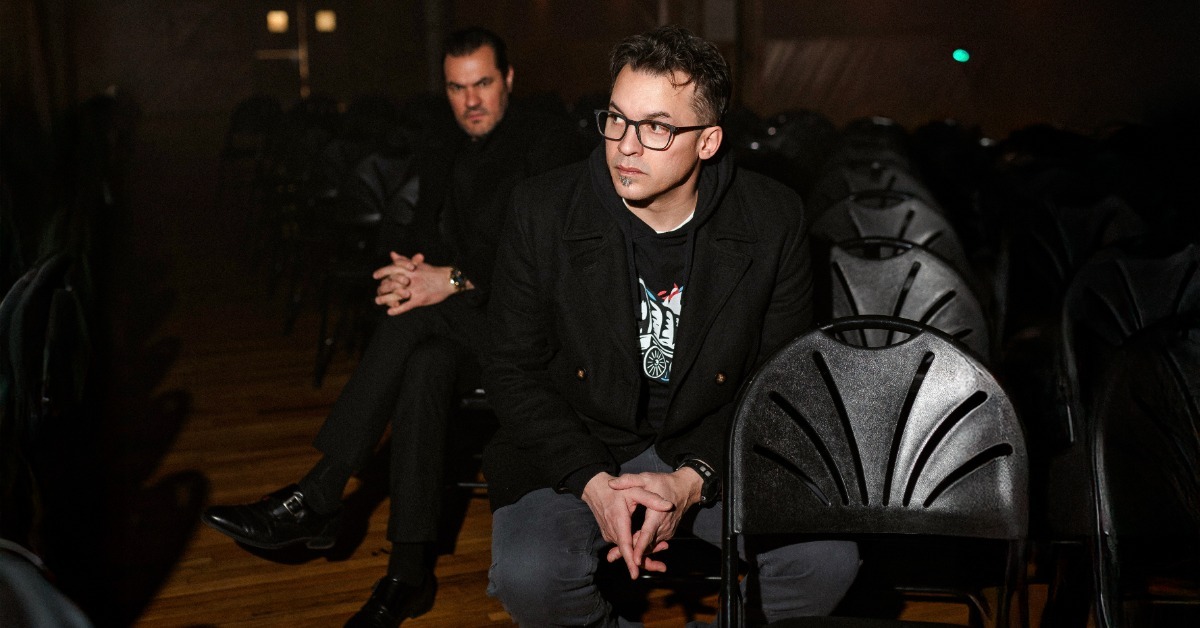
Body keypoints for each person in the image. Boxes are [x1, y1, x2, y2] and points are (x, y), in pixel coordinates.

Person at [201, 27, 586, 628]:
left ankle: (320, 494)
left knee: (416, 321)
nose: (471, 101)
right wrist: (406, 271)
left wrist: (448, 279)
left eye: (483, 83)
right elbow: (416, 227)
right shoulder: (443, 141)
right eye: (456, 88)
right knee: (425, 361)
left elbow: (543, 258)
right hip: (462, 329)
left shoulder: (548, 141)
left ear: (508, 79)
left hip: (531, 335)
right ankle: (408, 573)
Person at [482, 25, 860, 626]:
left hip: (712, 440)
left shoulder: (772, 218)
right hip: (577, 438)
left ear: (708, 141)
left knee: (824, 562)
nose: (626, 146)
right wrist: (590, 480)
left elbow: (779, 379)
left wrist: (693, 478)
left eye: (656, 127)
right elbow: (510, 366)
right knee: (530, 577)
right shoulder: (544, 209)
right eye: (616, 119)